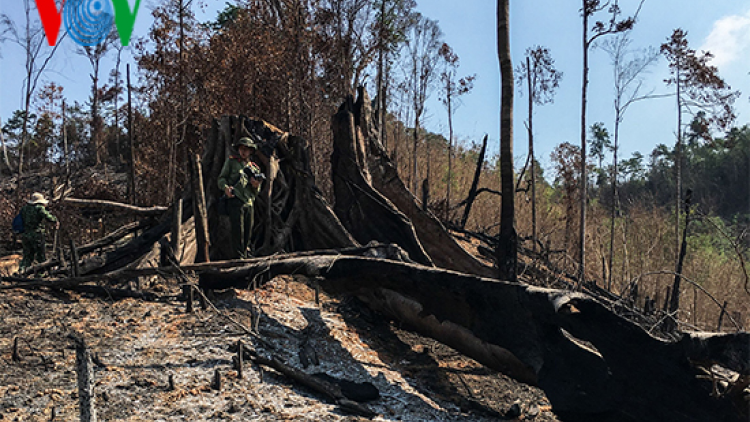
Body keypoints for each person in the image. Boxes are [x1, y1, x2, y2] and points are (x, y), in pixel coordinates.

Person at [218, 136, 264, 259]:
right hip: (236, 200)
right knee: (237, 231)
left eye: (246, 149)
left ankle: (244, 255)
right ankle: (238, 257)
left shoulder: (254, 168)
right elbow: (221, 178)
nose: (243, 151)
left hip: (249, 202)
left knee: (248, 231)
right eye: (241, 148)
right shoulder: (232, 162)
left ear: (251, 151)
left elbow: (257, 190)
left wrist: (255, 185)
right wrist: (226, 188)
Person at [19, 192, 59, 272]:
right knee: (40, 255)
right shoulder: (39, 208)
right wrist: (55, 220)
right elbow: (48, 217)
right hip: (37, 235)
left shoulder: (24, 209)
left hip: (25, 235)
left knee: (27, 255)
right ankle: (41, 273)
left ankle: (21, 271)